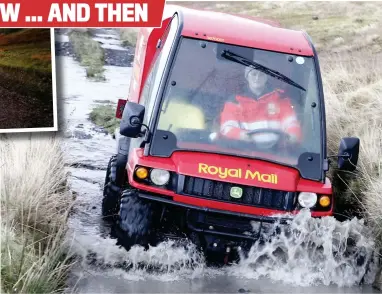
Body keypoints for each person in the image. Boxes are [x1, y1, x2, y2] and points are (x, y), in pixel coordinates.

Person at [219, 64, 302, 148]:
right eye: (254, 74)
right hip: (243, 151)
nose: (257, 78)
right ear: (247, 76)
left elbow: (291, 123)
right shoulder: (235, 101)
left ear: (266, 77)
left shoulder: (280, 100)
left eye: (261, 74)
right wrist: (241, 135)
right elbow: (226, 128)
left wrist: (293, 135)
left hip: (276, 154)